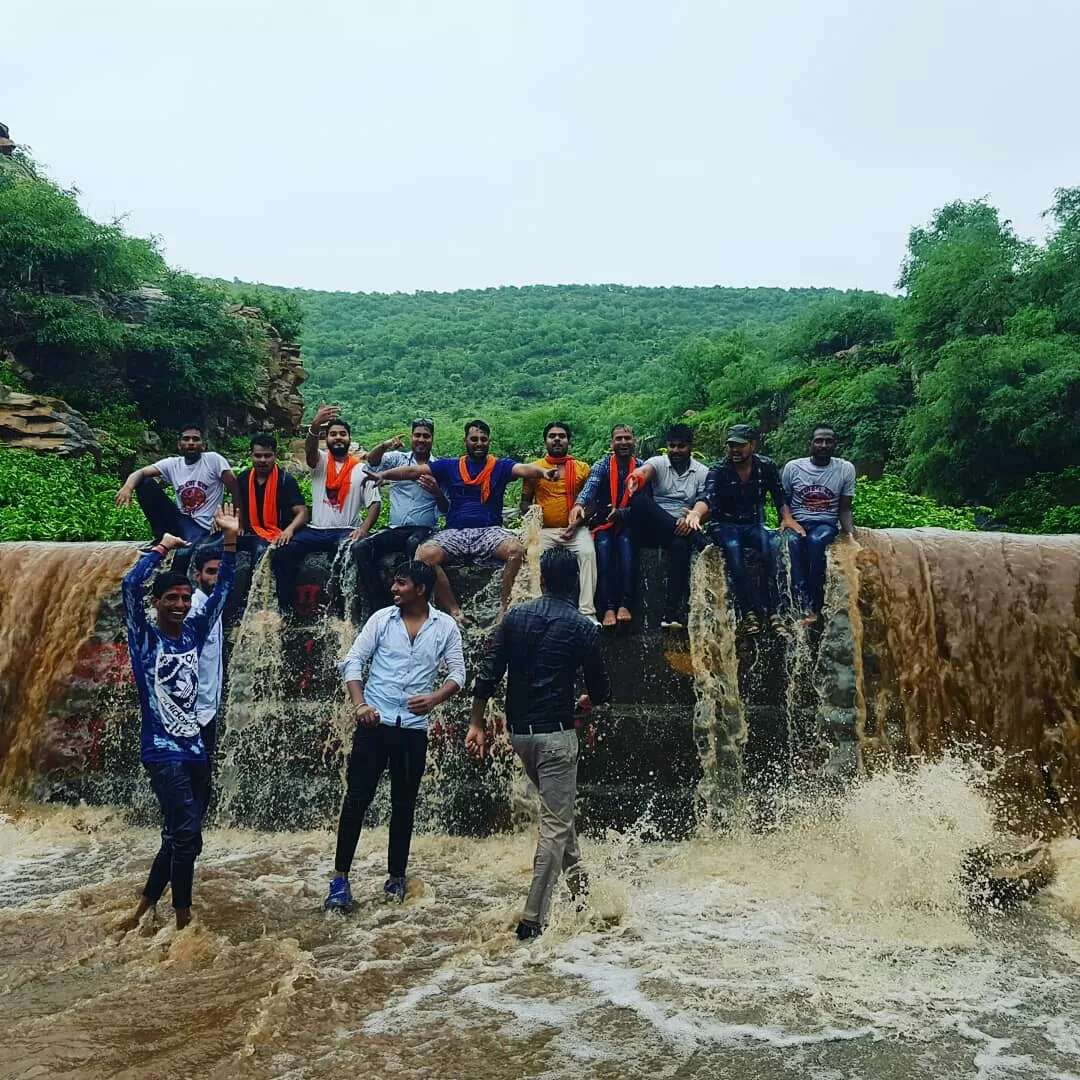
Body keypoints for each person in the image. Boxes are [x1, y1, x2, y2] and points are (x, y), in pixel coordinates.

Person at [466, 548, 611, 940]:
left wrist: (477, 723)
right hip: (557, 737)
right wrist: (587, 701)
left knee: (559, 820)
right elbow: (601, 689)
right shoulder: (584, 628)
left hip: (520, 735)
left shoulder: (516, 617)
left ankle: (583, 900)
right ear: (577, 583)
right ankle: (533, 920)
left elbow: (489, 671)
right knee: (555, 825)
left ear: (543, 580)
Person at [117, 505, 239, 932]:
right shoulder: (144, 638)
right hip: (162, 751)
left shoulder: (193, 631)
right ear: (158, 603)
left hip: (195, 748)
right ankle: (183, 919)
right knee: (186, 835)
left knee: (181, 836)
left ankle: (143, 909)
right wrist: (160, 550)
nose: (181, 604)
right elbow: (129, 588)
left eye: (186, 598)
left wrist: (230, 540)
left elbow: (223, 588)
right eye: (172, 598)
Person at [326, 560, 465, 910]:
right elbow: (353, 661)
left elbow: (458, 674)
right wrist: (360, 705)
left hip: (413, 731)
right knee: (356, 801)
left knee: (404, 806)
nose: (394, 589)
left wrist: (435, 698)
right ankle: (340, 879)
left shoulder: (445, 626)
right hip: (374, 725)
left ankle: (396, 878)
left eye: (401, 584)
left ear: (420, 589)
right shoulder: (381, 620)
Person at [369, 420, 556, 625]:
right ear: (465, 441)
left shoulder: (500, 466)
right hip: (455, 532)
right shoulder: (450, 465)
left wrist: (543, 472)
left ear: (489, 442)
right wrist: (383, 475)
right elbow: (414, 471)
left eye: (483, 439)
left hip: (489, 531)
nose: (479, 443)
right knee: (424, 555)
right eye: (474, 439)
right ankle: (454, 612)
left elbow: (523, 469)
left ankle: (504, 609)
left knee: (516, 550)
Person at [688, 424, 803, 636]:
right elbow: (708, 496)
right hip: (723, 525)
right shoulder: (719, 469)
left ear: (752, 445)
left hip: (752, 525)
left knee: (773, 545)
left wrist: (787, 518)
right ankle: (748, 611)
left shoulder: (765, 466)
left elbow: (779, 495)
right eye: (731, 445)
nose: (735, 450)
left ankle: (775, 611)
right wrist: (696, 514)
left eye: (740, 445)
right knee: (733, 548)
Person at [272, 402, 381, 612]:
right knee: (284, 551)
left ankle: (343, 610)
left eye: (342, 434)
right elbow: (310, 449)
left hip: (345, 531)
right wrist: (315, 424)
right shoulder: (320, 462)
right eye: (333, 434)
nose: (338, 437)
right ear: (327, 439)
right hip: (316, 530)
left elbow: (374, 504)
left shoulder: (361, 469)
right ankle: (284, 607)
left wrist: (364, 530)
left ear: (349, 439)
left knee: (348, 553)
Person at [115, 422, 239, 574]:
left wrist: (227, 518)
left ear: (203, 445)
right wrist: (127, 488)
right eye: (186, 439)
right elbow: (139, 473)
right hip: (180, 520)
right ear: (179, 445)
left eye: (195, 439)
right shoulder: (173, 464)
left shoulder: (213, 460)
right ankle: (160, 535)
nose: (191, 443)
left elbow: (235, 488)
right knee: (145, 483)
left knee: (184, 554)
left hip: (204, 526)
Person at [352, 419, 447, 610]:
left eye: (426, 436)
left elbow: (445, 509)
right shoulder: (397, 459)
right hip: (396, 528)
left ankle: (417, 601)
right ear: (411, 437)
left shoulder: (439, 468)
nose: (421, 440)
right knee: (361, 548)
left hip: (424, 529)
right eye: (417, 435)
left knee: (413, 544)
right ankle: (379, 603)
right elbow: (372, 461)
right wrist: (386, 445)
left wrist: (437, 492)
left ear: (432, 439)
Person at [625, 423, 710, 630]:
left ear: (690, 446)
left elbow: (704, 501)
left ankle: (670, 613)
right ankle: (694, 537)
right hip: (653, 526)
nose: (675, 451)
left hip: (682, 526)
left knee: (680, 546)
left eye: (681, 446)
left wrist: (693, 519)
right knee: (639, 501)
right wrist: (637, 478)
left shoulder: (701, 471)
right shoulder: (659, 463)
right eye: (672, 446)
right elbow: (644, 471)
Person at [519, 421, 597, 621]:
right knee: (533, 555)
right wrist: (534, 511)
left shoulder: (581, 468)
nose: (557, 439)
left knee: (588, 553)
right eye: (552, 436)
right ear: (546, 440)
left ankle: (587, 612)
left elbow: (591, 504)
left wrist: (576, 524)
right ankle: (537, 608)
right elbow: (524, 503)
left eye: (561, 436)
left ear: (568, 440)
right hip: (544, 531)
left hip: (575, 530)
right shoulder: (535, 469)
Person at [568, 424, 643, 628]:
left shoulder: (642, 467)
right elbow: (590, 487)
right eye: (618, 439)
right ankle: (608, 606)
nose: (623, 442)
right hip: (603, 524)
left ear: (634, 441)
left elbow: (647, 501)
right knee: (602, 549)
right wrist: (579, 504)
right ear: (612, 443)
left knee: (627, 547)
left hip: (630, 522)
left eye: (627, 438)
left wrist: (623, 513)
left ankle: (626, 604)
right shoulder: (602, 466)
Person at [781, 425, 856, 622]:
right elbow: (783, 501)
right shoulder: (793, 467)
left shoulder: (845, 469)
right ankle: (801, 604)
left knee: (816, 541)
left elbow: (845, 509)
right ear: (811, 444)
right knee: (793, 544)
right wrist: (788, 521)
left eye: (828, 441)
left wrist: (851, 535)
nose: (823, 445)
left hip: (825, 523)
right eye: (819, 441)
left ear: (835, 445)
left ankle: (816, 603)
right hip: (797, 521)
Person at [235, 433, 308, 562]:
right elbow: (238, 505)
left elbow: (302, 512)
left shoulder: (286, 480)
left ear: (275, 456)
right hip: (250, 533)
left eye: (267, 456)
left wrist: (289, 530)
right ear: (251, 455)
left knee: (261, 551)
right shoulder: (243, 478)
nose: (262, 460)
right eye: (258, 456)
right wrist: (238, 524)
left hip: (277, 533)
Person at [188, 550, 225, 767]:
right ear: (197, 575)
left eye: (220, 572)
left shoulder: (214, 607)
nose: (216, 578)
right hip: (195, 712)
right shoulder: (193, 609)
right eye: (211, 572)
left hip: (209, 710)